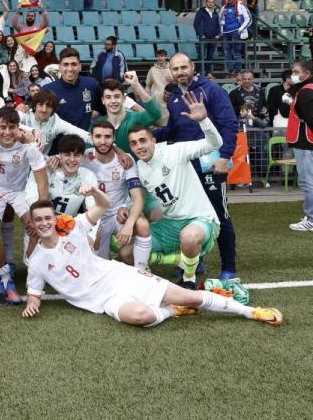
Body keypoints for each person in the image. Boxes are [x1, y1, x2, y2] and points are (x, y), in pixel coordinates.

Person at [21, 196, 281, 327]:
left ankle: (251, 312)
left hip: (117, 276)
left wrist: (94, 192)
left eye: (48, 218)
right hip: (101, 301)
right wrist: (31, 306)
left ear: (54, 219)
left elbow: (103, 205)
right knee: (141, 317)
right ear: (31, 224)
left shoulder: (74, 226)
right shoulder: (36, 261)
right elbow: (34, 294)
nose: (44, 223)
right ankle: (172, 310)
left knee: (188, 296)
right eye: (38, 220)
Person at [155, 53, 239, 281]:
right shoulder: (173, 97)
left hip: (210, 164)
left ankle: (228, 268)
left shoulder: (211, 90)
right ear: (170, 71)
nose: (181, 72)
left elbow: (230, 124)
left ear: (192, 66)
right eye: (176, 68)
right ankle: (194, 261)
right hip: (185, 169)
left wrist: (224, 156)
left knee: (219, 215)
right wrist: (148, 135)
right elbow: (173, 130)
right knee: (187, 216)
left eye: (184, 67)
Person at [130, 92, 225, 288]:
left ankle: (189, 278)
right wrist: (147, 209)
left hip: (199, 219)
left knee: (189, 238)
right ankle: (182, 259)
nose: (139, 146)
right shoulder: (138, 168)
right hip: (169, 224)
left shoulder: (175, 151)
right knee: (127, 251)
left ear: (153, 141)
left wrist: (204, 121)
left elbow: (215, 144)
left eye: (143, 140)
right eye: (134, 143)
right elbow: (145, 199)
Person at [0, 107, 48, 304]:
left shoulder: (28, 146)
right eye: (3, 127)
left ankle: (34, 271)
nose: (7, 132)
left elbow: (42, 181)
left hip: (19, 192)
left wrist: (40, 210)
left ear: (18, 128)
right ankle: (4, 277)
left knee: (35, 227)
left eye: (12, 127)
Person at [84, 121, 151, 265]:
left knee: (141, 224)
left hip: (119, 215)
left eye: (107, 137)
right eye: (98, 137)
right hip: (97, 218)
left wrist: (129, 224)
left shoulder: (125, 160)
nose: (103, 141)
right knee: (100, 265)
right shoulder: (84, 158)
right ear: (91, 138)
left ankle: (141, 271)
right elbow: (65, 158)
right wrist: (57, 158)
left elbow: (137, 197)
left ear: (114, 138)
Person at [42, 47, 100, 131]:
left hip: (84, 140)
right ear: (60, 67)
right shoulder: (48, 90)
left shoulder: (91, 84)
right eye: (65, 64)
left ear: (80, 66)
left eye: (74, 64)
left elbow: (102, 108)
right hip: (59, 141)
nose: (70, 69)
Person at [286, 60, 313, 232]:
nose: (293, 74)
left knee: (307, 182)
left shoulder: (305, 92)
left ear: (306, 74)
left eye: (296, 71)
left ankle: (310, 218)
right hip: (306, 141)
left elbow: (310, 118)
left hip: (305, 142)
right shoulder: (307, 91)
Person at [219, 0, 251, 76]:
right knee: (227, 52)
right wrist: (221, 31)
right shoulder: (223, 8)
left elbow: (249, 19)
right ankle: (230, 71)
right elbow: (220, 20)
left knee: (236, 52)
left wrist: (241, 29)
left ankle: (238, 71)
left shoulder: (241, 6)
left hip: (235, 32)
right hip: (226, 33)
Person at [193, 0, 221, 76]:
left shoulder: (215, 13)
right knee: (201, 55)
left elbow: (217, 25)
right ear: (206, 3)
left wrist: (218, 34)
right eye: (209, 2)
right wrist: (201, 34)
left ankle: (208, 72)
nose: (211, 4)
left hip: (213, 38)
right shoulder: (201, 11)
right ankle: (198, 72)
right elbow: (196, 24)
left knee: (210, 56)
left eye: (212, 2)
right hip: (204, 38)